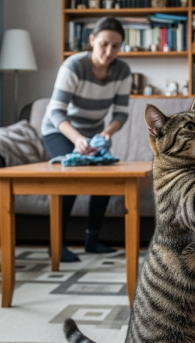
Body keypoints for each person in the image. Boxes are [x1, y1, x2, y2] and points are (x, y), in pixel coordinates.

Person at [41, 17, 131, 262]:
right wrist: (78, 140)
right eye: (104, 44)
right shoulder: (74, 66)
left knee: (105, 175)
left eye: (115, 46)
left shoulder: (122, 71)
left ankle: (92, 240)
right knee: (69, 177)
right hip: (59, 130)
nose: (109, 51)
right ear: (92, 40)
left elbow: (121, 113)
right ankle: (56, 244)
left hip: (94, 132)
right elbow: (56, 111)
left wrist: (106, 133)